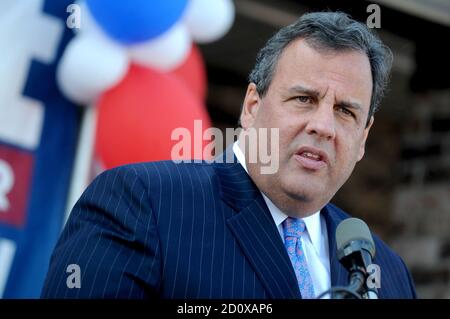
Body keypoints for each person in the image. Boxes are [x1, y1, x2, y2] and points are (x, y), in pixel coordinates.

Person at [41, 11, 416, 299]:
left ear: (363, 138)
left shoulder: (388, 273)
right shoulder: (142, 202)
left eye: (345, 111)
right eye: (304, 99)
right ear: (252, 106)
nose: (324, 126)